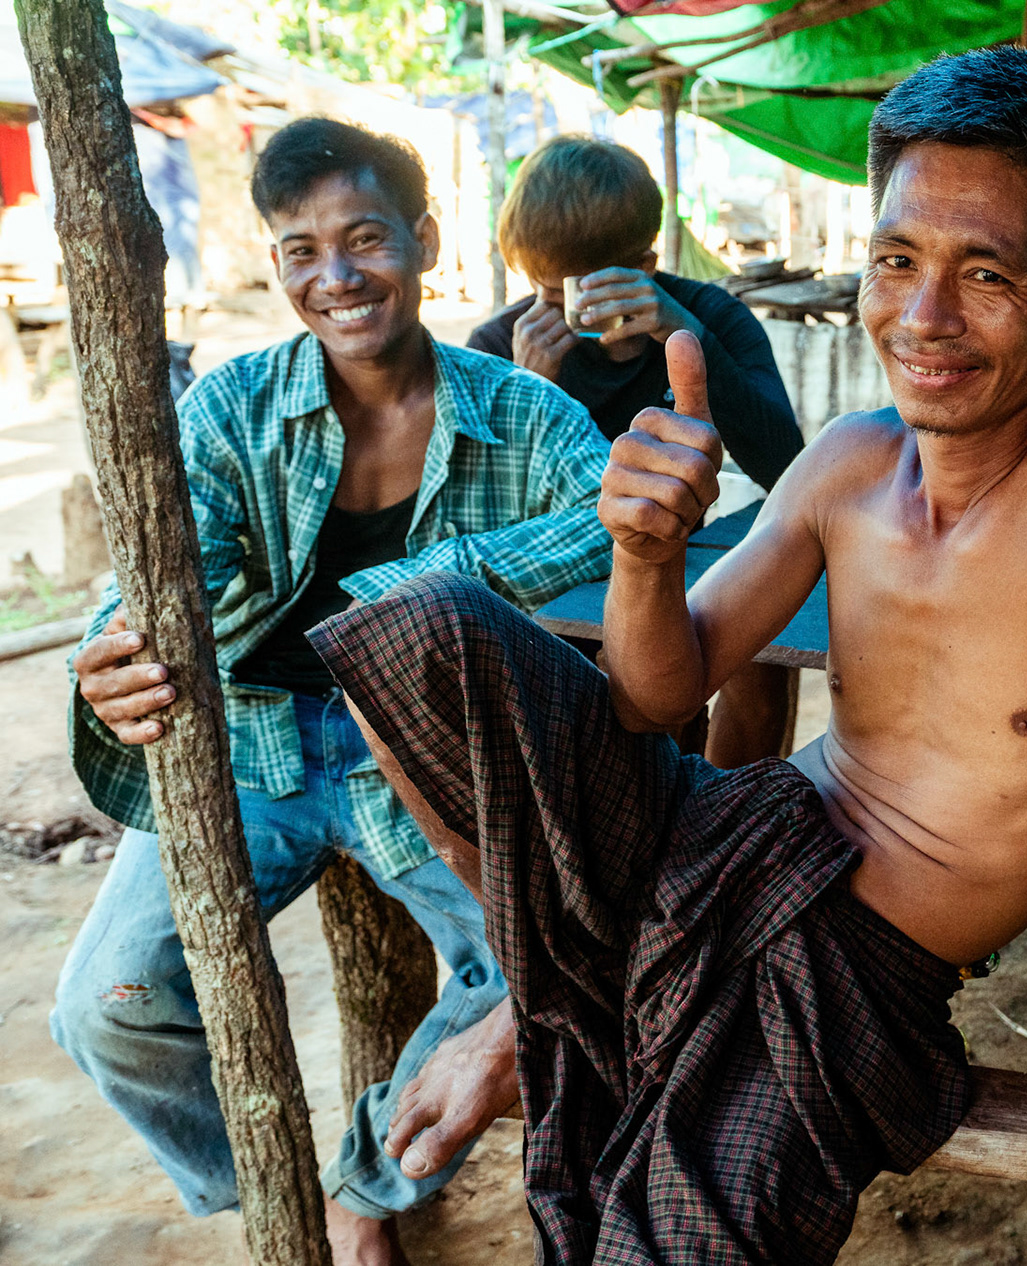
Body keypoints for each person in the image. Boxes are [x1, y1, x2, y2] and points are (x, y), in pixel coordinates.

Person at [312, 48, 1027, 1266]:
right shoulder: (851, 462)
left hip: (852, 971)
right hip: (722, 834)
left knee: (668, 1249)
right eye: (897, 262)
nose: (924, 319)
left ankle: (554, 998)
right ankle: (549, 985)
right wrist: (645, 557)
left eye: (985, 275)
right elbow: (661, 698)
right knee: (419, 630)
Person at [53, 118, 614, 1266]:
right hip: (246, 744)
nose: (338, 275)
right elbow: (163, 579)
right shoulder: (229, 406)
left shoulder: (524, 412)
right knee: (106, 1008)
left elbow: (621, 517)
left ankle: (366, 1192)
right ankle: (283, 1211)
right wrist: (109, 655)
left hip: (417, 753)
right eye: (303, 250)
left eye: (365, 239)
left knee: (535, 979)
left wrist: (412, 588)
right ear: (277, 267)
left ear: (424, 240)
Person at [468, 134, 805, 767]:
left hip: (682, 564)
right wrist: (533, 397)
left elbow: (786, 464)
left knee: (763, 657)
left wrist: (685, 334)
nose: (566, 314)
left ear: (644, 266)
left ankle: (732, 821)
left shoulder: (708, 316)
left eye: (589, 293)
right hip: (560, 583)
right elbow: (485, 523)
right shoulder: (503, 344)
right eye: (546, 293)